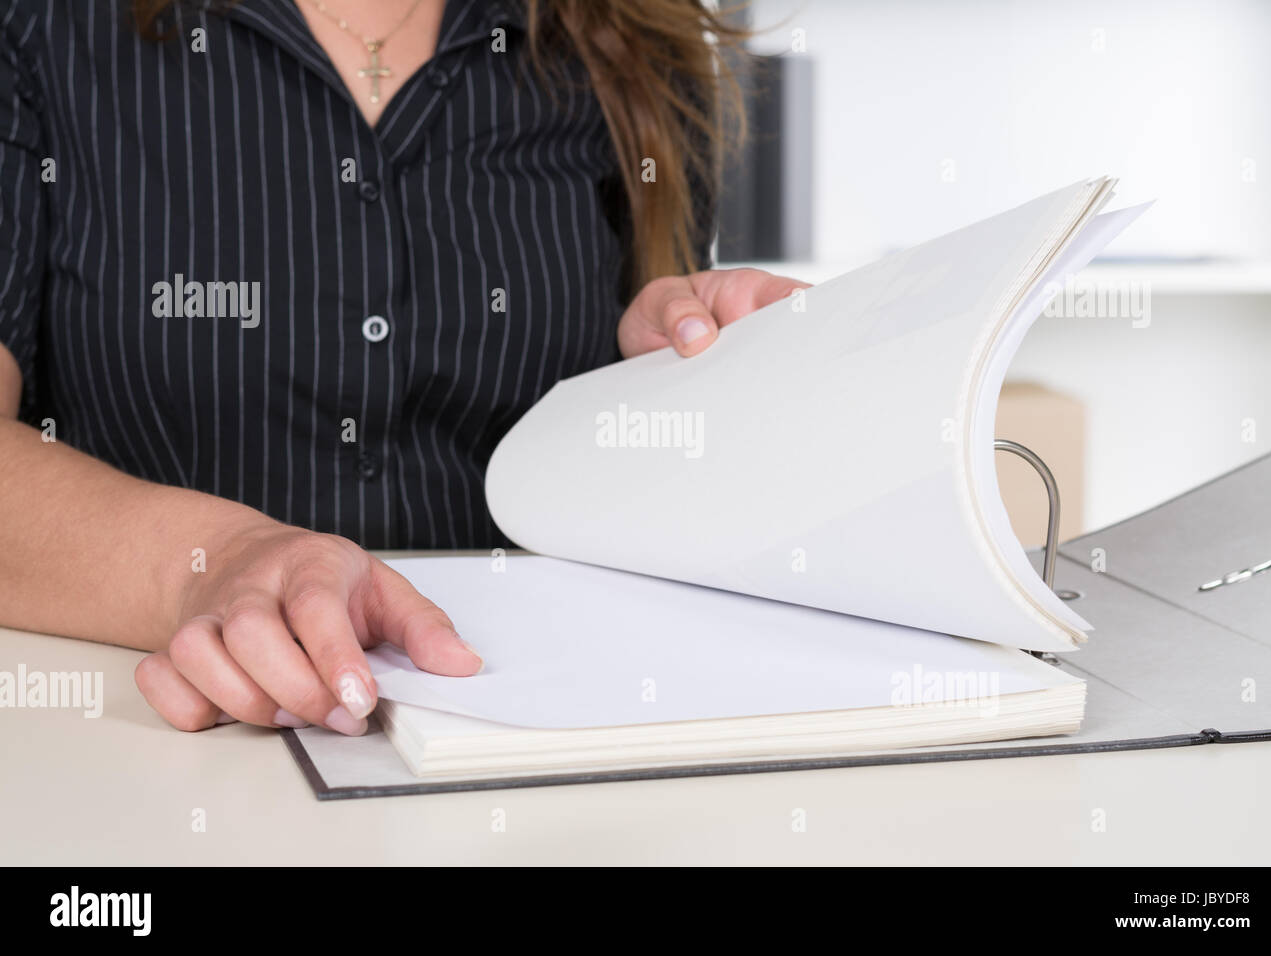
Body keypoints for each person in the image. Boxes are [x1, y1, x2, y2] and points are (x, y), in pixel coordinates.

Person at [0, 0, 805, 735]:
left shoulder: (634, 43)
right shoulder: (40, 27)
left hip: (517, 734)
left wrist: (659, 384)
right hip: (160, 741)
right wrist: (213, 566)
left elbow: (622, 500)